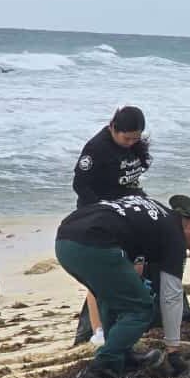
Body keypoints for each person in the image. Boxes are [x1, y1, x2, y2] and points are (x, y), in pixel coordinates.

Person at [56, 194, 190, 378]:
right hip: (94, 243)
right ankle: (103, 365)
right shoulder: (175, 236)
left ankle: (122, 356)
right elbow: (171, 295)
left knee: (111, 298)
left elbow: (131, 249)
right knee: (141, 308)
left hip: (65, 239)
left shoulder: (155, 213)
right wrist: (173, 351)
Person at [73, 106, 153, 346]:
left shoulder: (134, 144)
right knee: (100, 274)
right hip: (98, 214)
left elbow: (132, 177)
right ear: (113, 128)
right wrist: (101, 210)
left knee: (133, 266)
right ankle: (97, 330)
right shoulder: (96, 148)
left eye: (135, 138)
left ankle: (123, 321)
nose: (130, 143)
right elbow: (80, 185)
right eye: (126, 138)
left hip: (128, 209)